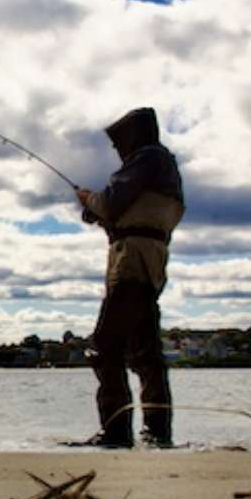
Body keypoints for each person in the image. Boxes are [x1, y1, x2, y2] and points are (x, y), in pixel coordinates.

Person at [74, 107, 185, 449]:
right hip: (149, 262)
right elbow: (129, 211)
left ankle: (117, 431)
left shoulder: (148, 158)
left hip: (132, 263)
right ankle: (157, 433)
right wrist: (102, 211)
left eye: (119, 142)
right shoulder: (162, 165)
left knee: (104, 347)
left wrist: (89, 199)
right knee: (146, 352)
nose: (117, 150)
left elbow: (110, 202)